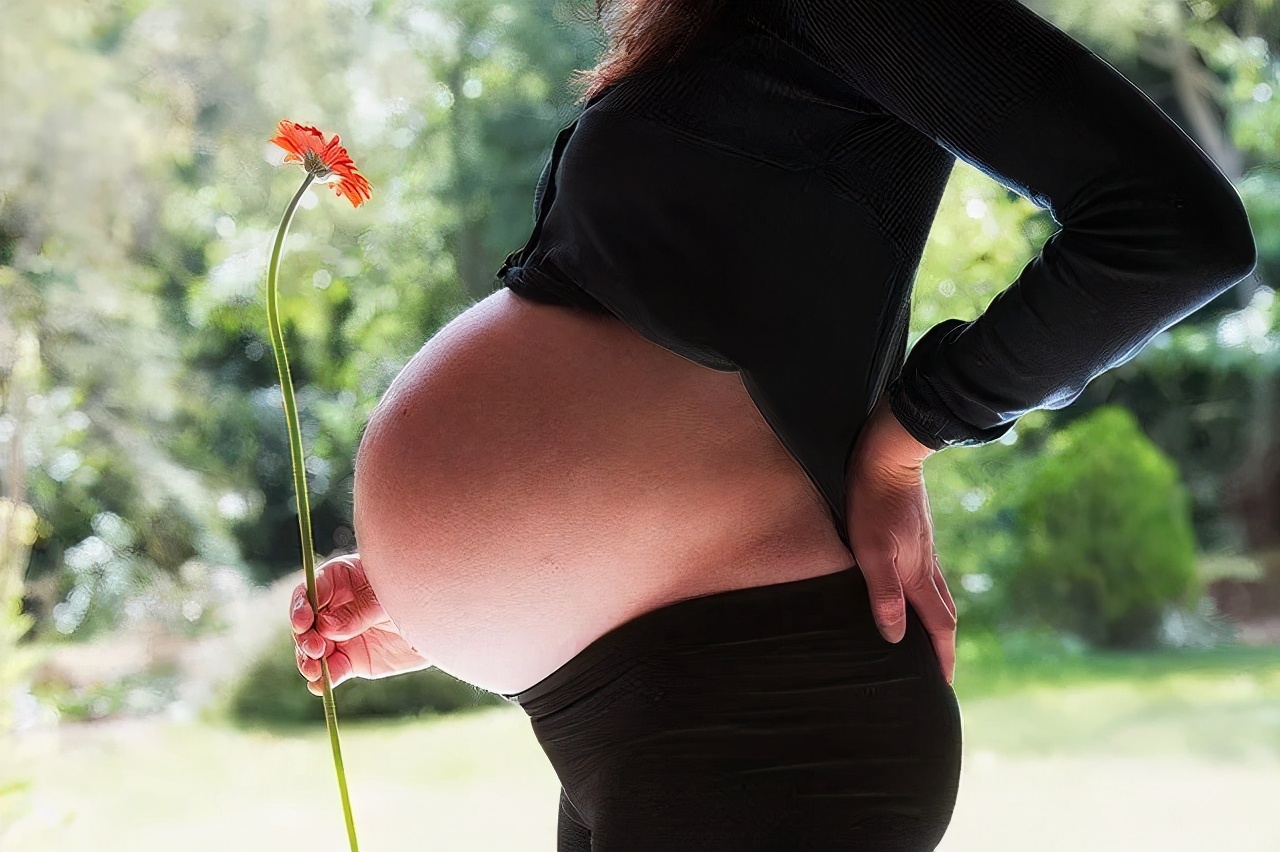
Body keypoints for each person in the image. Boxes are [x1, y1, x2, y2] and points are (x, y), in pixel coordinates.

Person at [290, 0, 1258, 848]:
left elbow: (1170, 228)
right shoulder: (715, 38)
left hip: (761, 720)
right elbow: (695, 334)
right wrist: (439, 600)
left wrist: (906, 435)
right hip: (643, 703)